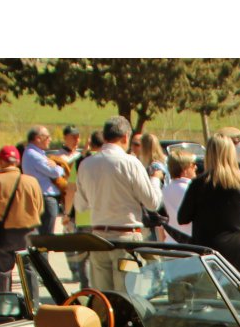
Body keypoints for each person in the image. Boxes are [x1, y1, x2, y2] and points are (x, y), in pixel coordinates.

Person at [74, 116, 163, 291]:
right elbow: (152, 202)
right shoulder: (130, 163)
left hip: (99, 239)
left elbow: (80, 205)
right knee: (127, 295)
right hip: (126, 241)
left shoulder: (86, 165)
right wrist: (155, 179)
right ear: (125, 137)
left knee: (103, 299)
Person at [0, 146, 43, 327]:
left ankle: (5, 309)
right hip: (28, 232)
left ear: (1, 161)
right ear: (17, 161)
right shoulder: (32, 181)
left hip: (3, 233)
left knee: (2, 271)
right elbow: (40, 208)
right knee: (28, 270)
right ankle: (33, 306)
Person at [176, 134, 240, 279]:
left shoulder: (199, 184)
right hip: (235, 248)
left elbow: (182, 218)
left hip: (205, 248)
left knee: (207, 297)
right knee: (236, 298)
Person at [22, 126, 68, 237]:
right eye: (47, 137)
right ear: (38, 138)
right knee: (46, 237)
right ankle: (43, 254)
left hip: (43, 198)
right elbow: (55, 172)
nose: (50, 139)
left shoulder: (34, 153)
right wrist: (59, 167)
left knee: (44, 235)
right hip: (46, 199)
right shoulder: (34, 155)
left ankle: (43, 253)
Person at [162, 151, 195, 242]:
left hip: (170, 242)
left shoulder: (164, 190)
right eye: (193, 165)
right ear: (185, 169)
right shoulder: (191, 190)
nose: (195, 167)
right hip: (191, 244)